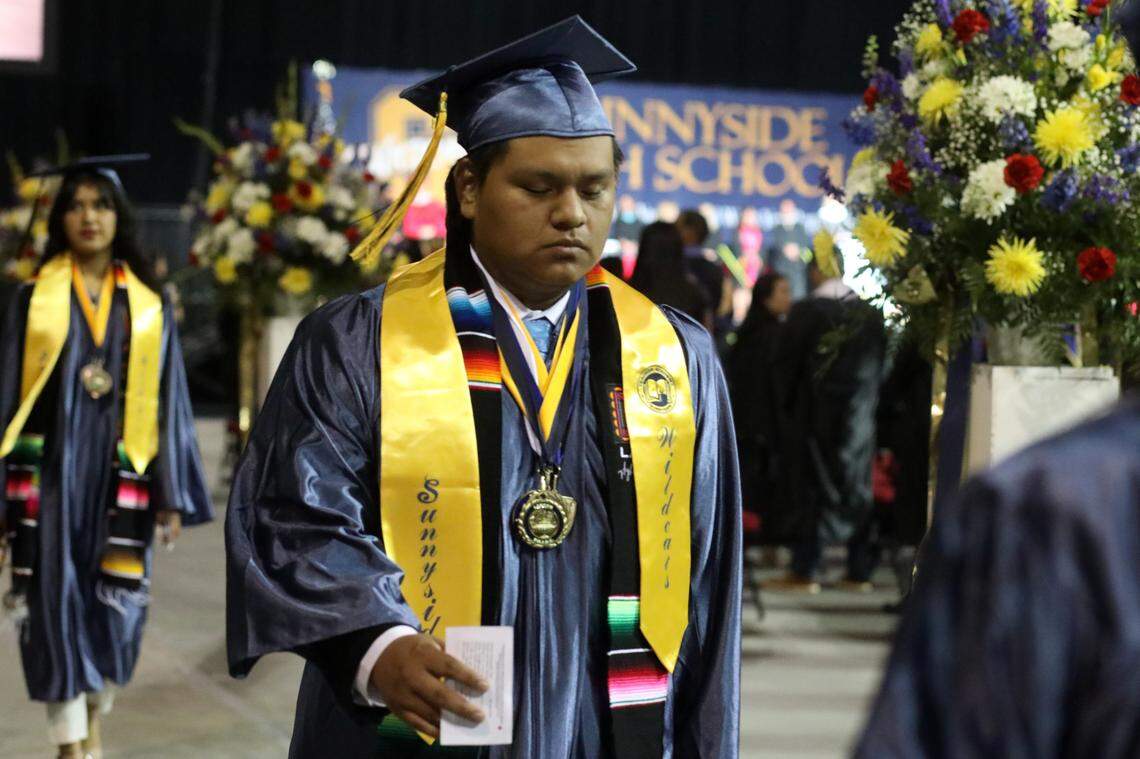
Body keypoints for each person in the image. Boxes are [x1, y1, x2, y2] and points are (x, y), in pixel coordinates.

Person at [224, 17, 741, 759]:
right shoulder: (358, 341)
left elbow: (708, 587)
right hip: (416, 715)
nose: (572, 212)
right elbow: (295, 513)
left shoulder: (676, 357)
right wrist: (379, 643)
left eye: (596, 189)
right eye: (539, 186)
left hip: (605, 726)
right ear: (468, 188)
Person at [0, 156, 212, 759]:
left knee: (113, 608)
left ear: (119, 217)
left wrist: (170, 491)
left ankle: (93, 717)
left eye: (100, 204)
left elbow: (171, 400)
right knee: (52, 603)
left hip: (124, 478)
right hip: (52, 477)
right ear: (59, 218)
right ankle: (70, 742)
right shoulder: (32, 299)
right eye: (76, 204)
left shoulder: (148, 306)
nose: (88, 217)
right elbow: (7, 402)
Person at [766, 251, 885, 593]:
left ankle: (807, 568)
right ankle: (859, 570)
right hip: (859, 417)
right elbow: (881, 367)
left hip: (812, 417)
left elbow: (785, 368)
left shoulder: (806, 313)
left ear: (816, 272)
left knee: (813, 490)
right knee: (857, 485)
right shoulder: (869, 313)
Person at [726, 272, 790, 529]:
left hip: (747, 423)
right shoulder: (773, 335)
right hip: (765, 424)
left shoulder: (747, 334)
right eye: (783, 291)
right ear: (766, 298)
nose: (789, 298)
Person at [628, 221, 712, 330]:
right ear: (678, 249)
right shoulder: (695, 294)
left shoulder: (627, 293)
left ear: (643, 250)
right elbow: (705, 336)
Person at [764, 199, 810, 301]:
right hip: (781, 269)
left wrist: (798, 250)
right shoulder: (776, 229)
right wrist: (784, 249)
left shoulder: (800, 228)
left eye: (789, 209)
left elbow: (806, 247)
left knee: (798, 297)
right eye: (785, 210)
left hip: (798, 269)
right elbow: (772, 246)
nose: (787, 212)